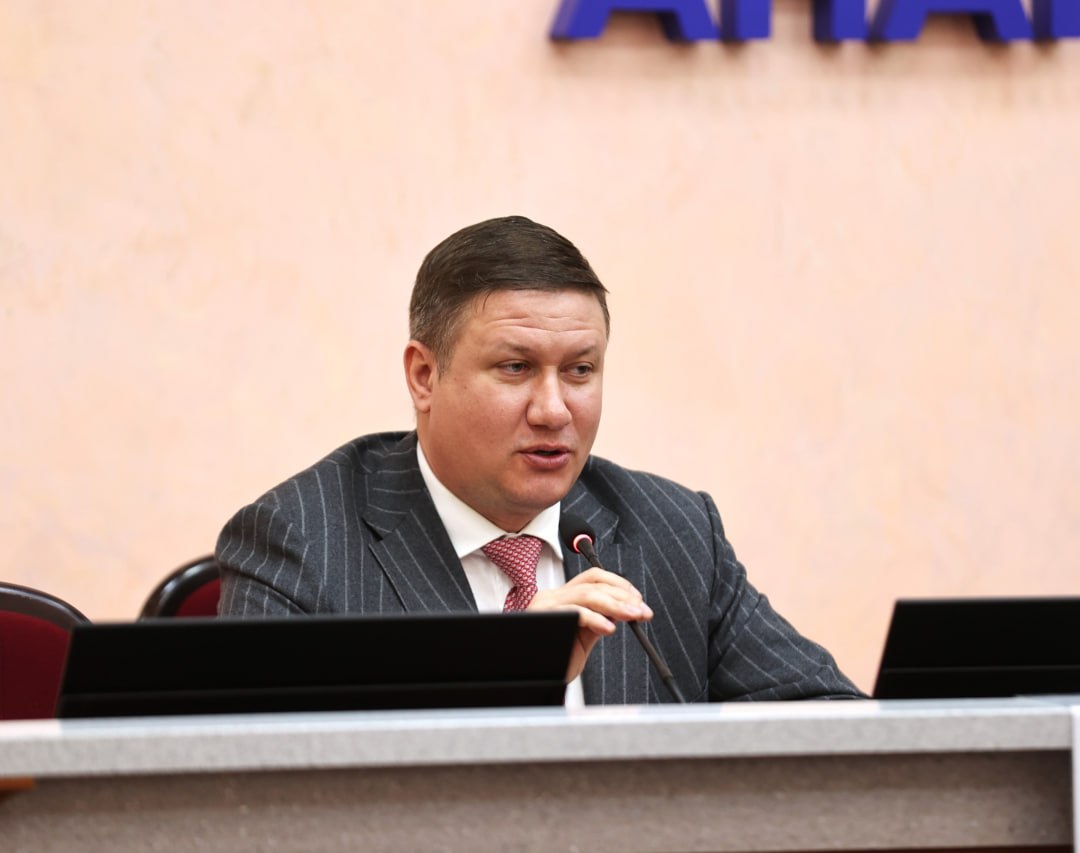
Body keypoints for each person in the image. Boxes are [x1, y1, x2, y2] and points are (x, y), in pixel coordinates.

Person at [216, 215, 864, 704]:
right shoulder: (301, 541)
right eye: (515, 367)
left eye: (580, 370)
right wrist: (503, 673)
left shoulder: (674, 531)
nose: (554, 410)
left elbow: (836, 729)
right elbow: (258, 789)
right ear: (423, 375)